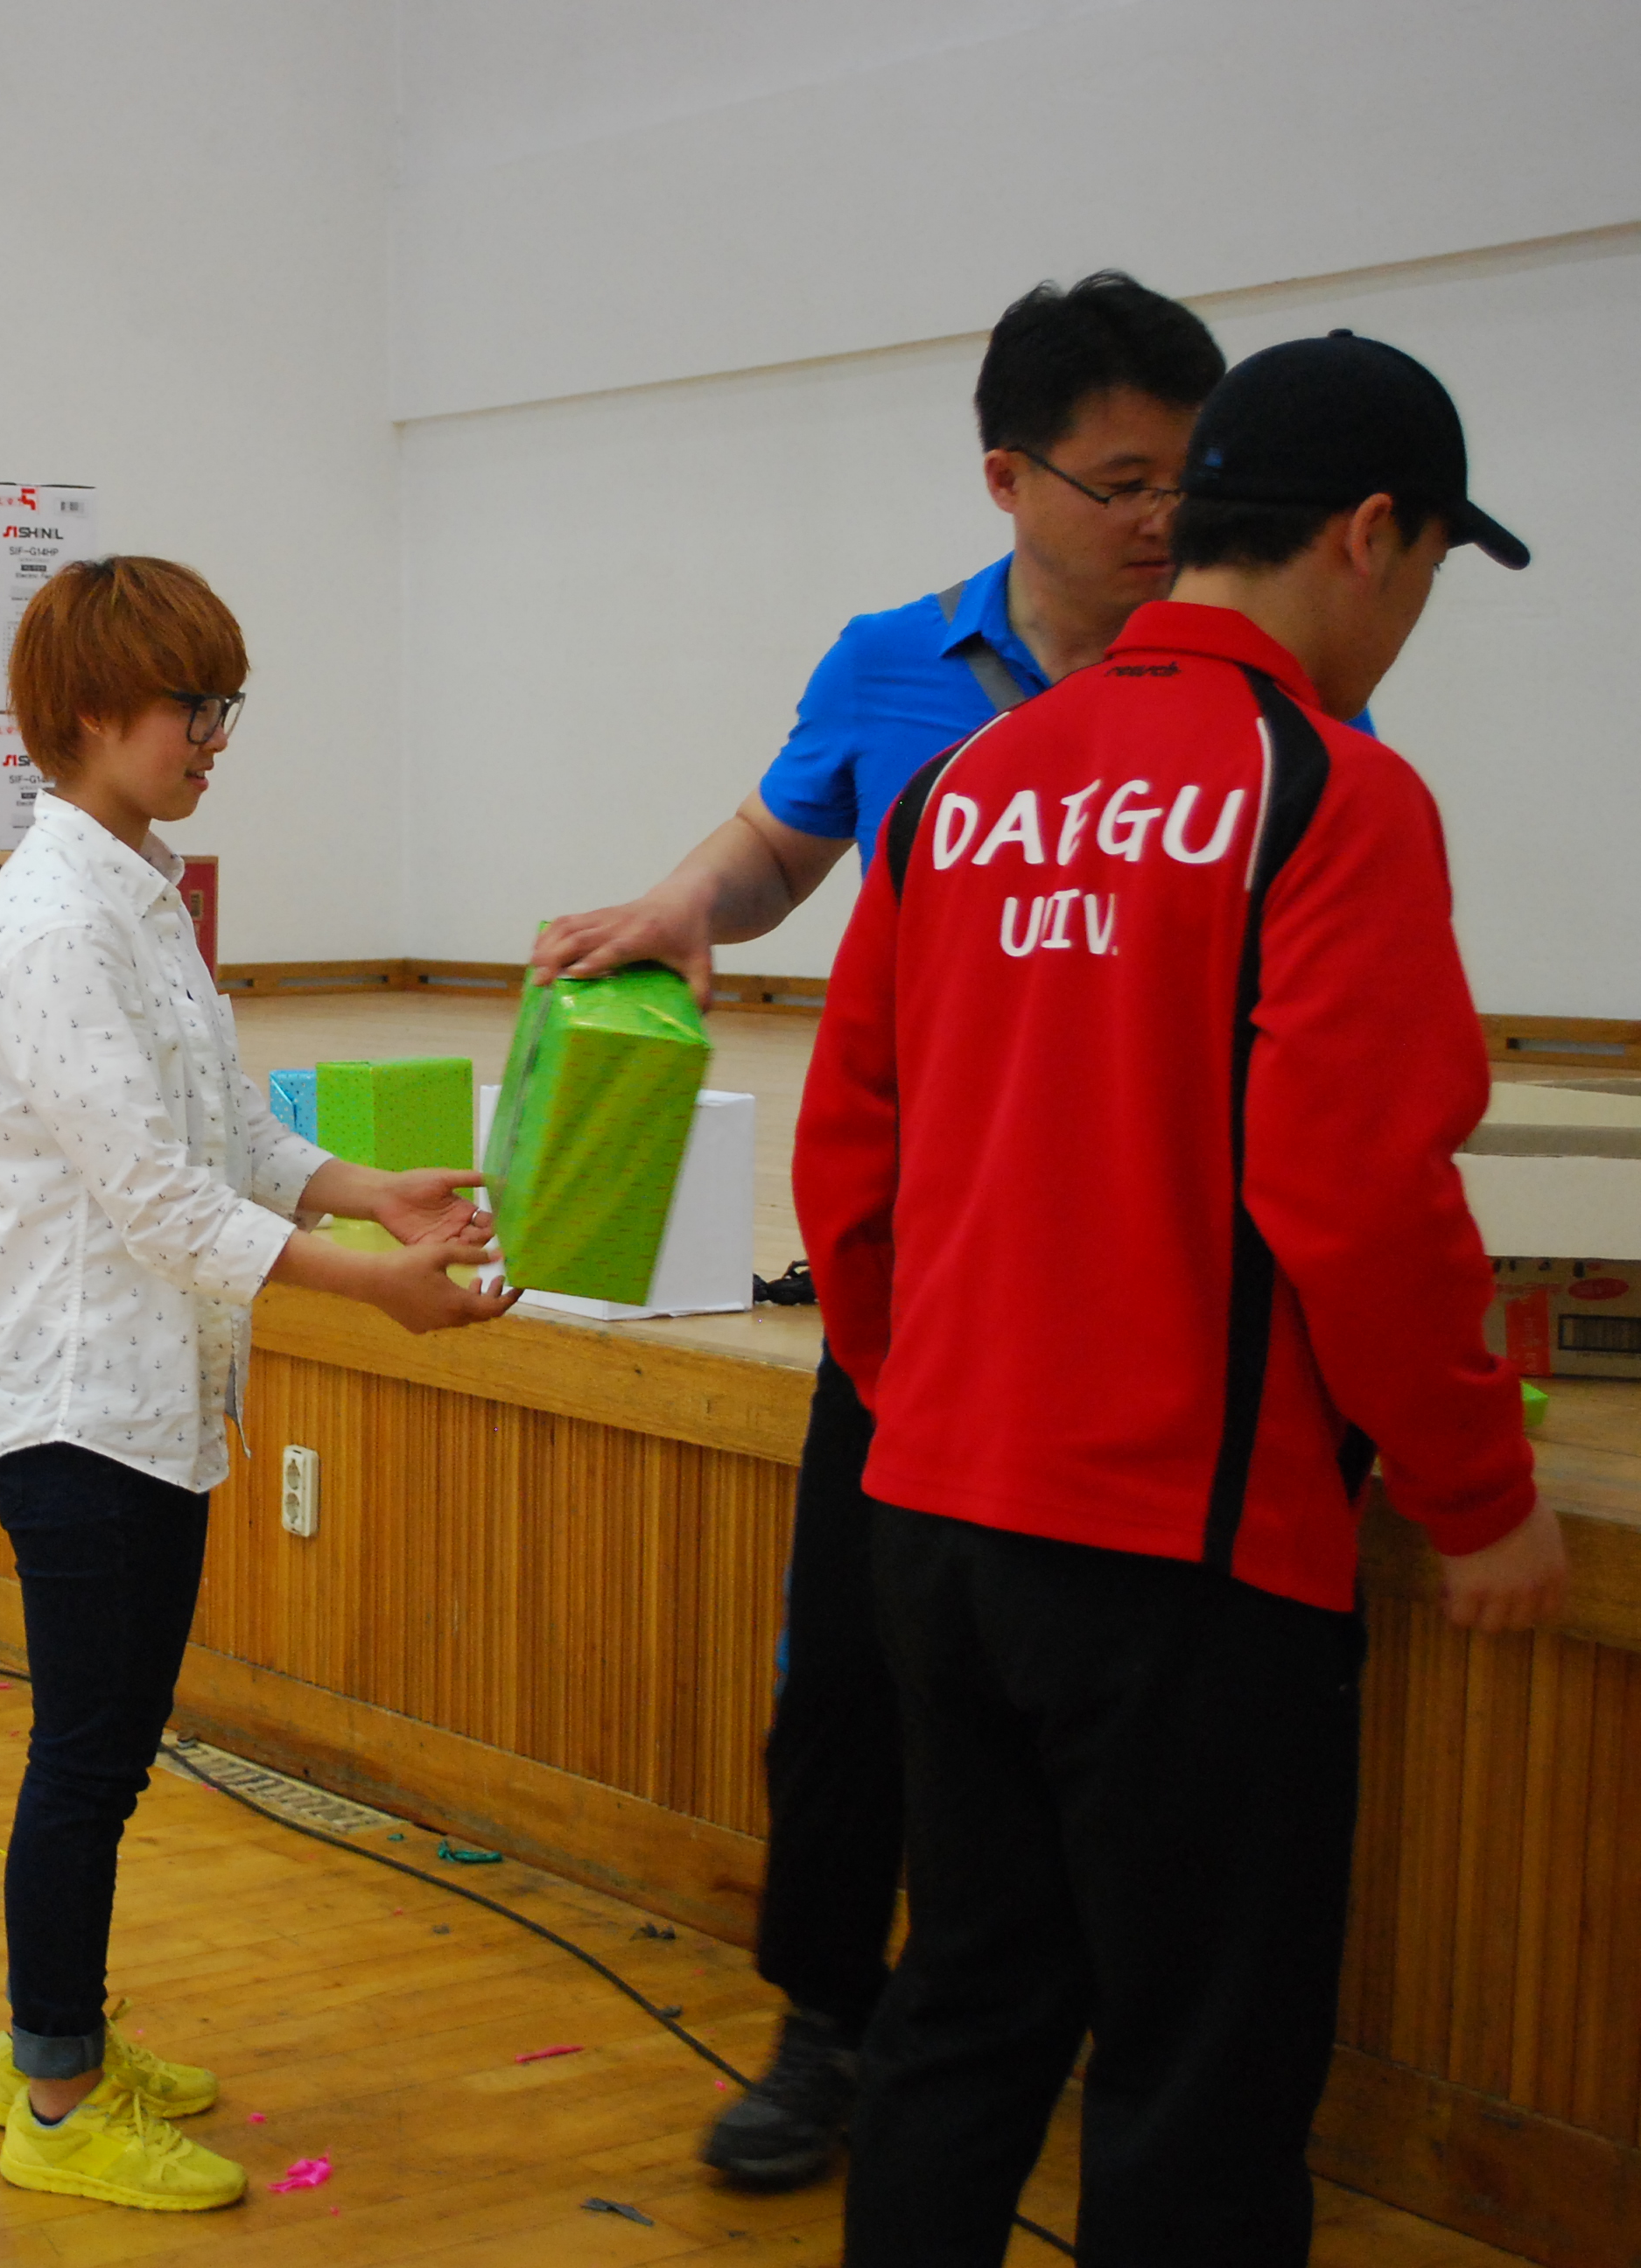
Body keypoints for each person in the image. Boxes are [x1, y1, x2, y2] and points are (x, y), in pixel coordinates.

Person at [797, 332, 1567, 2264]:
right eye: (1428, 568)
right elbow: (1359, 1193)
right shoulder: (1334, 791)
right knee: (1196, 2087)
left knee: (962, 2013)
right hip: (1187, 1563)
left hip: (936, 1521)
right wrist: (1476, 1488)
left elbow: (848, 1160)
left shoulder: (968, 783)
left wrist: (919, 1401)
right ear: (1370, 533)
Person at [526, 271, 1229, 2189]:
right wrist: (683, 901)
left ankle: (1087, 2043)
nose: (1162, 518)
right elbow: (779, 843)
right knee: (848, 1673)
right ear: (1005, 478)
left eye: (1187, 478)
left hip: (1145, 1284)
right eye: (1120, 482)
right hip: (920, 1278)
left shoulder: (1247, 691)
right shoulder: (892, 663)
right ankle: (827, 2021)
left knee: (1114, 1701)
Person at [0, 556, 514, 2211]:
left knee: (107, 1750)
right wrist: (374, 1290)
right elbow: (162, 1205)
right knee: (88, 1759)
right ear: (88, 714)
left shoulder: (139, 889)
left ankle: (40, 2044)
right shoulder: (55, 926)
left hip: (149, 1391)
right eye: (188, 706)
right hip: (80, 1402)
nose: (213, 737)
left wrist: (371, 1189)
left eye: (222, 704)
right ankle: (59, 2100)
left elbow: (233, 1137)